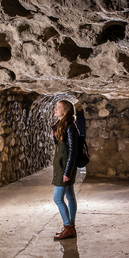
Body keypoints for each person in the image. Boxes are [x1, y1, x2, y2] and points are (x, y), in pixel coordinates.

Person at [52, 100, 79, 240]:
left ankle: (68, 226)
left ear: (66, 110)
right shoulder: (62, 125)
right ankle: (71, 227)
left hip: (65, 168)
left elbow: (72, 151)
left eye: (59, 107)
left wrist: (67, 172)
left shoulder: (70, 127)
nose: (55, 109)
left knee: (57, 198)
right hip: (62, 166)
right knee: (70, 197)